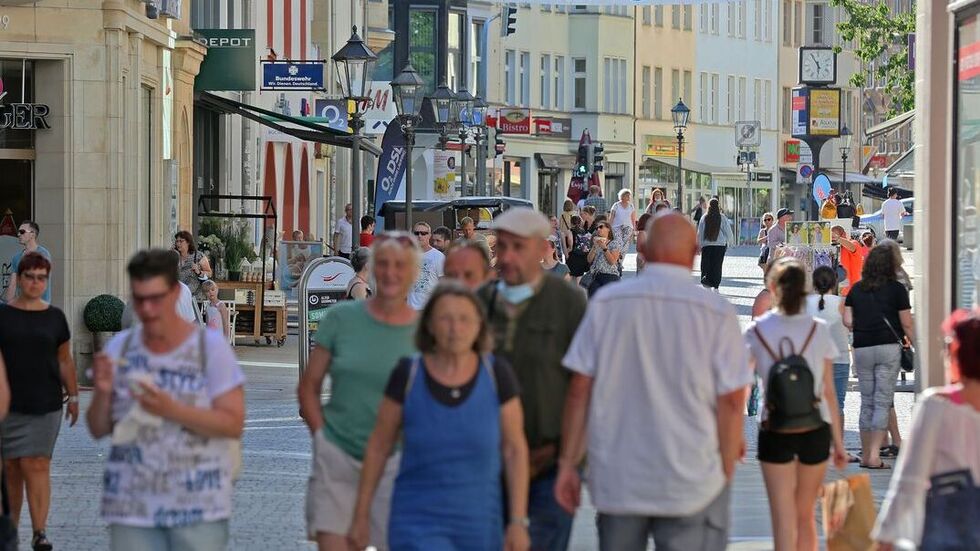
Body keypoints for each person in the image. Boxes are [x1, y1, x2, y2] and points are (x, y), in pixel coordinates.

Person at [556, 212, 750, 551]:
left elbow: (578, 391)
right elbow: (733, 400)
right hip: (691, 478)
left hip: (619, 476)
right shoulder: (716, 312)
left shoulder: (608, 304)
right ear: (695, 253)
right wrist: (725, 469)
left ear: (644, 251)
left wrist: (569, 464)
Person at [348, 283, 530, 551]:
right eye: (445, 318)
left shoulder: (497, 376)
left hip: (480, 524)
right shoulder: (408, 375)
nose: (455, 328)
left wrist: (517, 520)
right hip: (415, 522)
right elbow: (378, 446)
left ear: (479, 325)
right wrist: (361, 513)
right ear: (430, 325)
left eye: (464, 319)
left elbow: (514, 450)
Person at [87, 248, 245, 551]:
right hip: (133, 504)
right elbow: (97, 427)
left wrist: (171, 409)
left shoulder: (209, 349)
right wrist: (103, 392)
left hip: (197, 504)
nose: (146, 309)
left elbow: (232, 423)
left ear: (175, 293)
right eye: (139, 299)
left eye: (155, 298)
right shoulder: (120, 348)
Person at [297, 232, 420, 550]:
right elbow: (309, 387)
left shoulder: (424, 331)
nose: (391, 273)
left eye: (400, 266)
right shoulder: (341, 318)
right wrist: (322, 439)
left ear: (413, 273)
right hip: (339, 454)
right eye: (384, 264)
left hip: (396, 461)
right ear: (372, 269)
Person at [475, 208, 586, 551]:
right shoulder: (481, 302)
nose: (506, 257)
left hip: (549, 462)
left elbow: (583, 387)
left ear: (541, 248)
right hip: (489, 463)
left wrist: (571, 462)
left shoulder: (567, 301)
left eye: (517, 247)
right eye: (501, 247)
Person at [744, 257, 848, 551]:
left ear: (772, 288)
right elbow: (828, 391)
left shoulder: (757, 331)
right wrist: (839, 445)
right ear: (804, 289)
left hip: (775, 429)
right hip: (814, 429)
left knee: (782, 517)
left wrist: (735, 437)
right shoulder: (817, 330)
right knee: (805, 515)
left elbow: (741, 383)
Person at [872, 309, 980, 550]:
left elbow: (910, 479)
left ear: (956, 354)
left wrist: (885, 536)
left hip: (949, 531)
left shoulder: (937, 406)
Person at [0, 252, 73, 551]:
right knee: (13, 469)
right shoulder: (3, 315)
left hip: (46, 403)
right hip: (8, 404)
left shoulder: (55, 317)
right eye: (29, 276)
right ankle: (11, 531)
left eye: (41, 278)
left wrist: (76, 395)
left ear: (46, 280)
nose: (35, 283)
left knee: (38, 463)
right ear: (19, 278)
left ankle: (40, 532)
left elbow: (65, 359)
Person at [844, 244, 915, 469]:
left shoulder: (856, 289)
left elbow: (847, 320)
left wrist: (863, 324)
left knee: (867, 402)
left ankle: (866, 455)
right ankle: (874, 456)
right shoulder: (897, 289)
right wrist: (915, 344)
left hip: (863, 347)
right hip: (888, 347)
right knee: (882, 401)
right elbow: (906, 323)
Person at [807, 266, 859, 464]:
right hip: (839, 359)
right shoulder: (842, 303)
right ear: (834, 283)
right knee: (838, 404)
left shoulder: (805, 303)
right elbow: (851, 325)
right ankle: (837, 447)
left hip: (813, 359)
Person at [6, 220, 52, 303]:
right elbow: (12, 285)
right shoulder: (16, 258)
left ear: (32, 234)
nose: (19, 234)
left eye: (22, 232)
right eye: (18, 232)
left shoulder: (43, 254)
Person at [697, 198, 734, 291]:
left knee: (706, 265)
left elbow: (700, 232)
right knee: (717, 265)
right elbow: (728, 232)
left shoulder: (704, 217)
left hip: (707, 245)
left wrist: (699, 245)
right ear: (718, 206)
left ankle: (707, 283)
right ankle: (716, 286)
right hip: (720, 245)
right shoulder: (722, 217)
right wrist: (729, 243)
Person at [407, 222, 445, 310]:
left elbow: (444, 284)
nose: (420, 236)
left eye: (424, 233)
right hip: (410, 309)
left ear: (429, 235)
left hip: (429, 310)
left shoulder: (438, 257)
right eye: (416, 233)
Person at [585, 221, 621, 297]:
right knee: (592, 298)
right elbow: (589, 260)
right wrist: (594, 247)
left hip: (610, 275)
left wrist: (604, 248)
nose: (598, 229)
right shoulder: (596, 242)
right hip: (596, 275)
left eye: (601, 227)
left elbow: (612, 261)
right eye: (597, 228)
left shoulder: (614, 243)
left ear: (608, 229)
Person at [174, 230, 212, 300]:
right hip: (179, 298)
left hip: (195, 298)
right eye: (177, 241)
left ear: (188, 242)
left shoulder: (198, 256)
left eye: (181, 241)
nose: (178, 244)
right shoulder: (174, 256)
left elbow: (209, 273)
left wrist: (199, 272)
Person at [832, 224, 868, 296]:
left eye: (835, 237)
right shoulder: (836, 248)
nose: (833, 240)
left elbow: (852, 247)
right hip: (840, 292)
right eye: (832, 238)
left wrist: (838, 239)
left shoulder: (854, 243)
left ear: (844, 234)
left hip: (853, 292)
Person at [566, 215, 591, 282]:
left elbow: (570, 246)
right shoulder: (585, 231)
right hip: (583, 257)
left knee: (569, 278)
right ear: (580, 223)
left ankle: (568, 292)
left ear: (571, 223)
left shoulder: (570, 231)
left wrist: (566, 253)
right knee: (579, 280)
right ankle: (579, 292)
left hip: (573, 257)